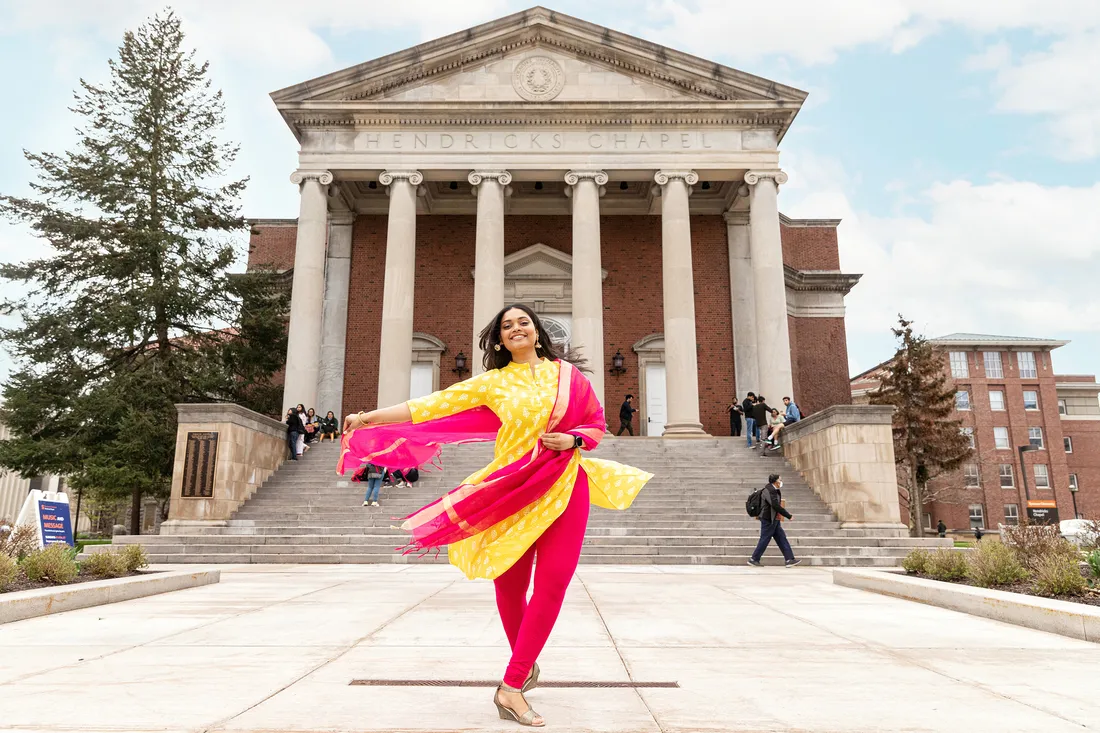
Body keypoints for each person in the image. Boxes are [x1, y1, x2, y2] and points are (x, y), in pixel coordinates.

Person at [340, 303, 652, 727]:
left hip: (564, 482)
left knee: (554, 583)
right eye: (507, 326)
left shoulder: (568, 377)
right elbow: (430, 405)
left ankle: (511, 685)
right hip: (509, 488)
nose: (516, 328)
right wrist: (369, 416)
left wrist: (573, 438)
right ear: (501, 340)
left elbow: (595, 424)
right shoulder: (492, 382)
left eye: (523, 322)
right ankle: (523, 668)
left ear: (538, 333)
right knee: (509, 582)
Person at [747, 473, 799, 567]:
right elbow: (775, 505)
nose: (781, 481)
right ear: (775, 481)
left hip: (774, 519)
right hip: (768, 519)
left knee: (781, 538)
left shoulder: (774, 490)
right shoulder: (769, 490)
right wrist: (788, 515)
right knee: (765, 539)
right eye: (780, 480)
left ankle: (789, 559)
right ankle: (754, 559)